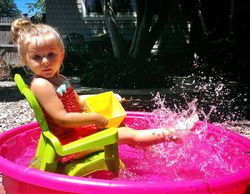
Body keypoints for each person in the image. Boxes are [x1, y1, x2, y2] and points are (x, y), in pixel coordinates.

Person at [11, 18, 195, 161]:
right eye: (37, 57)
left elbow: (78, 101)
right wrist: (96, 118)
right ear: (26, 61)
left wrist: (106, 97)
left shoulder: (59, 79)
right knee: (126, 133)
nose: (45, 61)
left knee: (121, 126)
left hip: (75, 132)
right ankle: (172, 134)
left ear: (61, 54)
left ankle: (151, 148)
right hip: (69, 144)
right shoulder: (42, 85)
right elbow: (63, 119)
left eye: (50, 54)